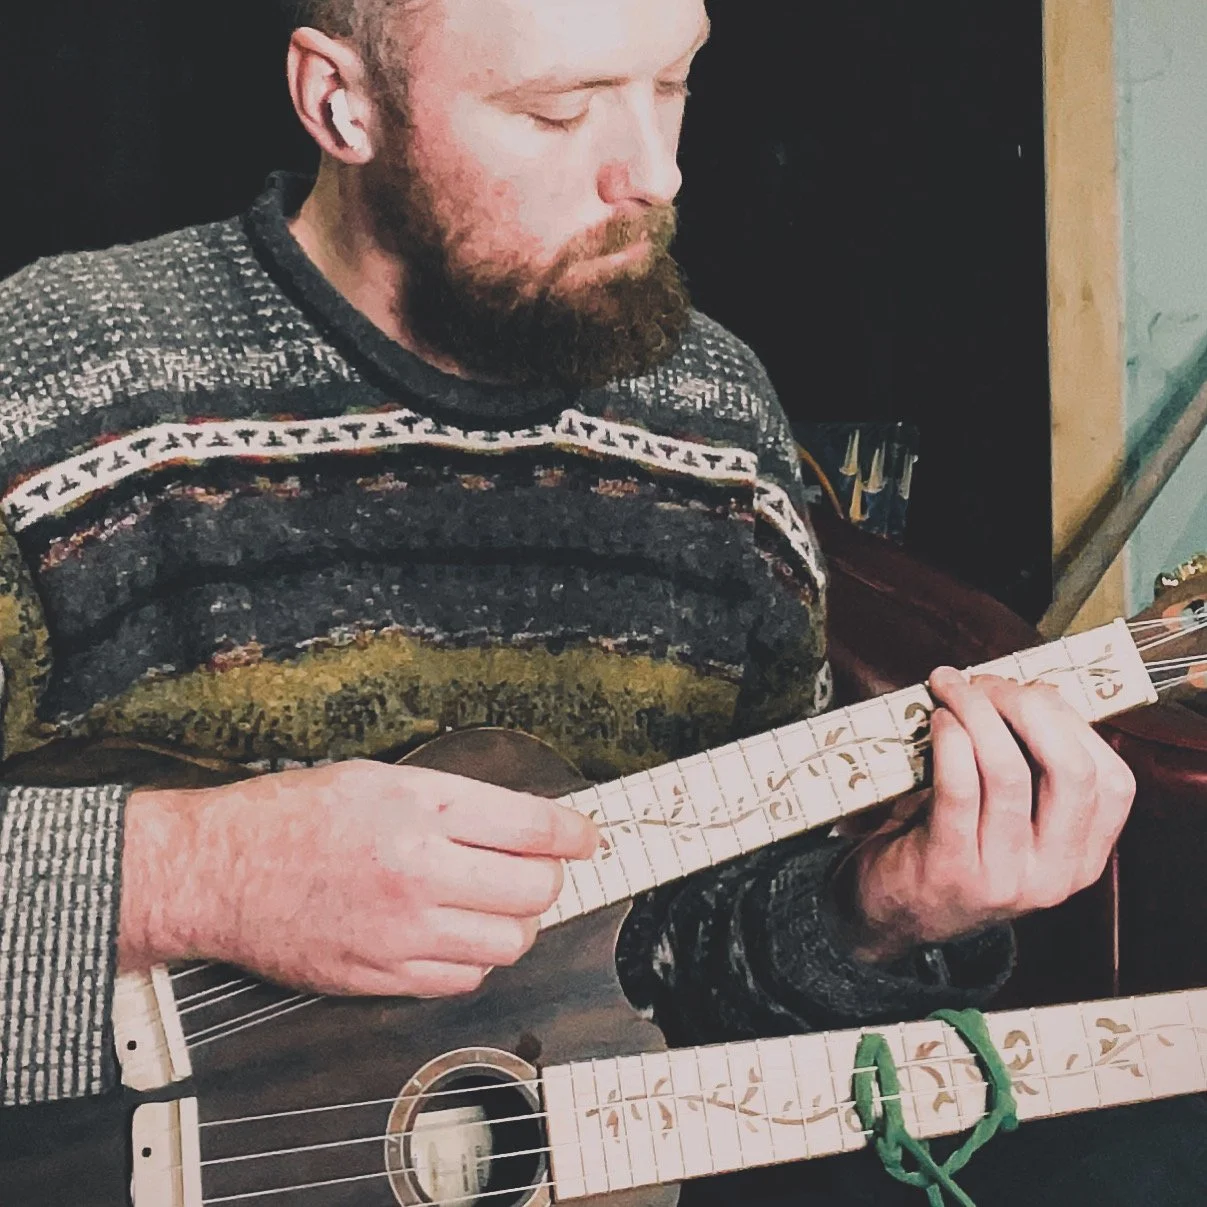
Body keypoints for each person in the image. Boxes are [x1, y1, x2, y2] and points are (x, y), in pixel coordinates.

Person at [1, 0, 1199, 1202]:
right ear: (340, 104)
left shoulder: (714, 424)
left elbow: (690, 970)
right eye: (558, 110)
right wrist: (196, 875)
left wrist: (881, 911)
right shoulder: (56, 377)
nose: (655, 173)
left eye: (673, 83)